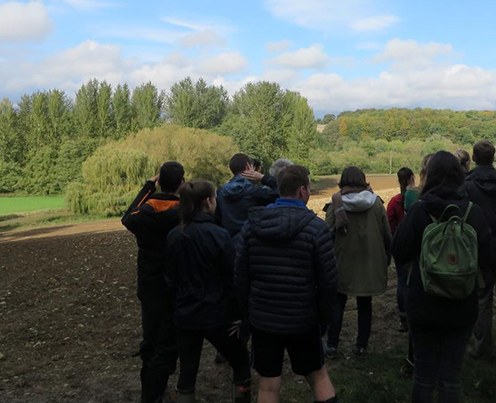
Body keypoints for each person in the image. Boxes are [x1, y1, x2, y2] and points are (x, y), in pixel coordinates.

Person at [391, 151, 492, 403]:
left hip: (423, 304)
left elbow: (399, 251)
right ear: (460, 176)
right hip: (462, 305)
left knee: (423, 376)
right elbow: (492, 258)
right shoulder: (473, 212)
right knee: (451, 377)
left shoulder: (419, 210)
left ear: (428, 176)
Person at [234, 165, 340, 403]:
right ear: (302, 190)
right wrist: (322, 319)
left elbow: (240, 276)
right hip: (303, 319)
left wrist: (247, 315)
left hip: (263, 320)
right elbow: (328, 282)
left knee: (268, 386)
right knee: (318, 377)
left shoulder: (251, 226)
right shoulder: (316, 228)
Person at [165, 180, 251, 403]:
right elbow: (232, 279)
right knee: (240, 361)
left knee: (187, 369)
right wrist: (240, 315)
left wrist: (176, 308)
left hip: (185, 316)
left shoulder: (174, 236)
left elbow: (170, 280)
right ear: (208, 202)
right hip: (218, 315)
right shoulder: (218, 235)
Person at [121, 162, 184, 403]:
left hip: (149, 285)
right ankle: (153, 393)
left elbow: (128, 217)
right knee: (169, 343)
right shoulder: (184, 211)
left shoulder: (146, 212)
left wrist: (148, 187)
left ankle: (150, 388)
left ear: (160, 181)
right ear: (181, 183)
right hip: (175, 285)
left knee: (151, 339)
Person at [324, 166, 392, 357]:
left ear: (342, 181)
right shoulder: (376, 203)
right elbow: (387, 234)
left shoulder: (335, 204)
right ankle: (361, 345)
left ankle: (331, 345)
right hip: (368, 262)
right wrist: (388, 255)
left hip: (342, 261)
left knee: (338, 303)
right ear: (363, 180)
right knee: (365, 304)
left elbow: (325, 234)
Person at [464, 140, 496, 361]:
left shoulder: (467, 183)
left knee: (482, 298)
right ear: (493, 157)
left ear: (473, 158)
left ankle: (482, 347)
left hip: (479, 245)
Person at [216, 153, 279, 237]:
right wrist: (262, 178)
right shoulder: (254, 192)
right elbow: (282, 192)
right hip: (249, 241)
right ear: (248, 166)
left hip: (228, 241)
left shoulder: (220, 192)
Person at [387, 167, 417, 333]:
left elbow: (389, 225)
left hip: (400, 246)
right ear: (413, 178)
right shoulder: (418, 199)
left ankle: (403, 317)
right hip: (415, 246)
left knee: (401, 281)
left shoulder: (394, 201)